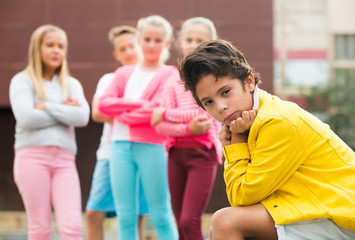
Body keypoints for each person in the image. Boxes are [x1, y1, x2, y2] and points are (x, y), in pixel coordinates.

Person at [179, 39, 355, 240]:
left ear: (249, 81)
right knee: (217, 229)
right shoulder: (252, 119)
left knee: (225, 222)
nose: (220, 107)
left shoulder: (277, 121)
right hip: (311, 205)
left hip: (343, 213)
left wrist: (236, 142)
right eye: (208, 102)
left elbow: (241, 198)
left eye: (225, 92)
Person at [98, 15, 178, 240]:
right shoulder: (124, 73)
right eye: (147, 39)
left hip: (153, 146)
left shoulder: (170, 74)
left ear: (167, 44)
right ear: (139, 40)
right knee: (125, 216)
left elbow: (161, 108)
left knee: (161, 213)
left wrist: (123, 114)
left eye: (158, 40)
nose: (152, 45)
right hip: (119, 146)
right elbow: (104, 103)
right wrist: (139, 105)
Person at [9, 24, 90, 240]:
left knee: (73, 228)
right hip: (31, 159)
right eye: (50, 45)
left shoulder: (71, 84)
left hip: (65, 161)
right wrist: (64, 109)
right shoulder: (22, 81)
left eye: (61, 46)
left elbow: (82, 117)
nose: (56, 50)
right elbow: (26, 117)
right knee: (40, 228)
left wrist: (46, 106)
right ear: (38, 48)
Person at [150, 17, 222, 240]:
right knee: (179, 221)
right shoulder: (171, 81)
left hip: (202, 154)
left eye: (199, 40)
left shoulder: (213, 78)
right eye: (189, 39)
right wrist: (187, 127)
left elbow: (204, 116)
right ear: (180, 42)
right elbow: (160, 126)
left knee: (188, 221)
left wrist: (164, 114)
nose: (193, 44)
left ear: (211, 43)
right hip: (175, 155)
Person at [85, 25, 148, 240]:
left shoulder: (150, 79)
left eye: (132, 46)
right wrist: (135, 110)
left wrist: (117, 108)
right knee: (94, 213)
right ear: (116, 54)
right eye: (123, 49)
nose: (129, 52)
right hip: (109, 155)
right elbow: (97, 112)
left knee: (135, 216)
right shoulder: (108, 79)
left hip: (141, 154)